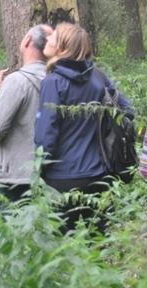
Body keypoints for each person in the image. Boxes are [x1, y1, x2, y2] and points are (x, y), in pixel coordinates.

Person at [34, 23, 134, 232]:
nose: (48, 40)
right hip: (100, 175)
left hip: (62, 177)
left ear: (62, 46)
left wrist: (38, 169)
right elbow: (127, 111)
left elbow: (46, 135)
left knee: (62, 244)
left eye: (54, 37)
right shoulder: (98, 77)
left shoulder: (53, 82)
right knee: (98, 240)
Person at [0, 24, 53, 211]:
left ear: (27, 41)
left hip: (8, 175)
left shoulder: (16, 81)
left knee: (0, 235)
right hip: (41, 173)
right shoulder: (54, 82)